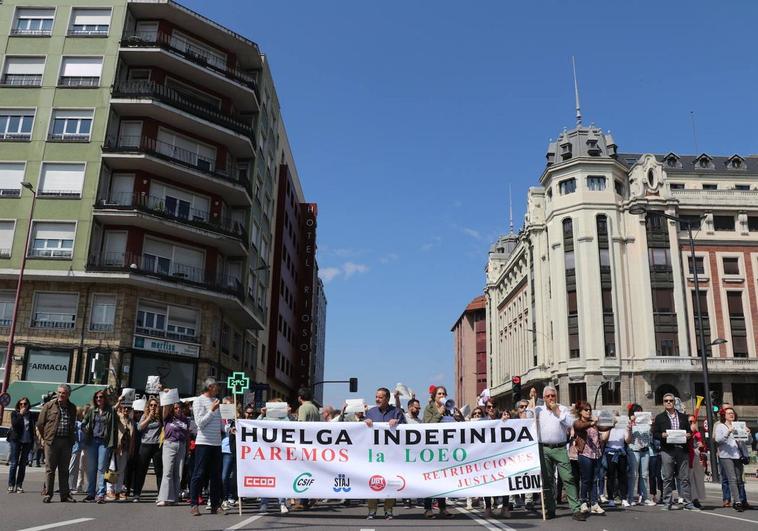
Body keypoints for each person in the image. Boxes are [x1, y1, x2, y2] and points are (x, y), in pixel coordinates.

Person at [531, 386, 585, 521]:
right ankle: (550, 509)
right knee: (548, 480)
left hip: (560, 448)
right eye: (548, 396)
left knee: (568, 478)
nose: (550, 398)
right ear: (543, 398)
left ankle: (576, 509)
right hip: (544, 448)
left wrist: (557, 411)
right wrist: (531, 399)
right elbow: (526, 417)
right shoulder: (539, 410)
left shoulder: (563, 409)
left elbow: (569, 423)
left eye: (553, 396)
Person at [364, 387, 406, 520]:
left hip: (391, 455)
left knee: (390, 482)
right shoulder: (370, 412)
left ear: (387, 399)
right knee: (373, 481)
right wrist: (364, 423)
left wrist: (398, 423)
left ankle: (388, 510)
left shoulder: (396, 412)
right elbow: (361, 432)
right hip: (374, 455)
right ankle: (372, 511)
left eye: (380, 397)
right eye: (376, 396)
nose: (377, 399)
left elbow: (407, 429)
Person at [652, 392, 697, 511]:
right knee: (667, 477)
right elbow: (654, 433)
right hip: (667, 450)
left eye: (670, 401)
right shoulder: (660, 417)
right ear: (663, 403)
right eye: (666, 401)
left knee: (685, 477)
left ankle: (688, 503)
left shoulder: (682, 416)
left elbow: (689, 432)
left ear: (674, 402)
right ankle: (667, 503)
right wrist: (662, 434)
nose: (668, 402)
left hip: (682, 449)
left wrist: (688, 435)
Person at [36, 384, 78, 503]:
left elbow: (73, 424)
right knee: (50, 469)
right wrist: (45, 438)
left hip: (66, 442)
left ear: (68, 395)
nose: (60, 395)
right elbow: (40, 424)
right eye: (59, 392)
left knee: (64, 469)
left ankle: (65, 495)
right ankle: (48, 494)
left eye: (63, 393)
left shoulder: (72, 408)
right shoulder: (49, 406)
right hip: (52, 442)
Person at [189, 377, 224, 516]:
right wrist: (211, 410)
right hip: (204, 442)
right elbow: (200, 423)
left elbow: (220, 423)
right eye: (216, 386)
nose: (218, 389)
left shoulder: (216, 401)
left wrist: (229, 429)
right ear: (210, 387)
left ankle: (215, 504)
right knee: (199, 474)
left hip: (216, 443)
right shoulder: (198, 401)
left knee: (215, 475)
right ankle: (194, 504)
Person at [422, 386, 455, 519]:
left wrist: (457, 417)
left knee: (442, 479)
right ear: (434, 396)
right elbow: (428, 425)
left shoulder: (450, 408)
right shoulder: (428, 408)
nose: (442, 396)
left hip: (445, 448)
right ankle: (428, 508)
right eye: (439, 394)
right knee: (429, 480)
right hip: (431, 449)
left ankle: (442, 508)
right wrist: (439, 413)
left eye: (443, 394)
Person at [572, 400, 609, 515]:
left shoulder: (594, 423)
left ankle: (594, 503)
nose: (588, 412)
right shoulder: (578, 423)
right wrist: (592, 423)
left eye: (589, 410)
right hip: (585, 454)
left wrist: (612, 423)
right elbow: (580, 427)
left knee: (594, 479)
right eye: (586, 410)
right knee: (586, 479)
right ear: (580, 412)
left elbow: (603, 428)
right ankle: (583, 501)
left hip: (596, 454)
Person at [81, 390, 117, 503]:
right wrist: (84, 429)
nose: (98, 399)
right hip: (92, 441)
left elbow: (114, 428)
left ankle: (101, 493)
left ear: (105, 398)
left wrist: (114, 444)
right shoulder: (92, 411)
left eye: (101, 397)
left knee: (102, 468)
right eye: (96, 397)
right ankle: (91, 493)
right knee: (91, 468)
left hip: (104, 443)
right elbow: (83, 422)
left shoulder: (110, 411)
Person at [715, 406, 751, 512]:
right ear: (724, 415)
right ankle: (737, 501)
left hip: (738, 455)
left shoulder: (739, 425)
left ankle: (741, 499)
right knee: (732, 479)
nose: (731, 415)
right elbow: (718, 440)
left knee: (740, 480)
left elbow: (748, 442)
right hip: (726, 455)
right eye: (729, 413)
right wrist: (728, 432)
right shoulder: (720, 426)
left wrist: (748, 434)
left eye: (733, 413)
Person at [157, 400, 189, 506]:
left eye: (179, 407)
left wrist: (187, 448)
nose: (178, 409)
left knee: (178, 473)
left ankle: (174, 498)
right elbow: (165, 408)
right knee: (167, 472)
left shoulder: (185, 419)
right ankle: (163, 498)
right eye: (175, 408)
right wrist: (166, 396)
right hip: (169, 444)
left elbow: (187, 434)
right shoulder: (168, 417)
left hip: (181, 445)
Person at [131, 397, 163, 502]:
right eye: (151, 405)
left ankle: (160, 494)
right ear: (148, 406)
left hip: (157, 446)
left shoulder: (160, 417)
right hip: (145, 445)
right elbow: (140, 428)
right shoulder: (145, 416)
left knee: (159, 471)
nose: (153, 407)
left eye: (155, 405)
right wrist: (149, 418)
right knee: (141, 471)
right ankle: (137, 494)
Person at [626, 404, 655, 506]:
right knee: (633, 475)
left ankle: (644, 497)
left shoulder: (646, 422)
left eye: (641, 411)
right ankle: (630, 498)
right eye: (637, 412)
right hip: (634, 450)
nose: (640, 414)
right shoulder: (629, 422)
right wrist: (632, 422)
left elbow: (650, 433)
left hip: (645, 450)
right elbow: (628, 436)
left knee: (644, 475)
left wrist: (651, 423)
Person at [107, 401, 135, 501]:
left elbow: (132, 437)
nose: (126, 410)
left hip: (126, 448)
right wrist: (118, 401)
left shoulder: (131, 421)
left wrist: (131, 449)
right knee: (113, 468)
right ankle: (110, 490)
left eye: (128, 408)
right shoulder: (118, 417)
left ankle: (118, 491)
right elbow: (112, 411)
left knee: (122, 470)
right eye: (124, 408)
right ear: (121, 408)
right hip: (117, 448)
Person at [8, 397, 35, 493]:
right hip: (16, 440)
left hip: (27, 441)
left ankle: (19, 485)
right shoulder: (14, 413)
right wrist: (20, 414)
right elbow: (14, 424)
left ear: (28, 405)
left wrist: (33, 441)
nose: (23, 405)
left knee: (23, 464)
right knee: (14, 463)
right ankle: (11, 485)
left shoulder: (31, 415)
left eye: (25, 404)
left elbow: (32, 428)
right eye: (21, 404)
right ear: (18, 405)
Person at [604, 411, 629, 508]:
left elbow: (627, 440)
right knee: (610, 476)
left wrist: (629, 430)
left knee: (622, 475)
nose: (615, 419)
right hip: (610, 452)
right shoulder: (607, 427)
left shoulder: (623, 428)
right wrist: (610, 426)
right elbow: (605, 439)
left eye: (617, 417)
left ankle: (624, 498)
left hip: (621, 452)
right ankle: (611, 498)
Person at [221, 396, 238, 511]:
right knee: (223, 477)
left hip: (232, 450)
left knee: (233, 476)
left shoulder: (236, 418)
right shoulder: (219, 418)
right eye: (225, 405)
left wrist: (236, 416)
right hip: (220, 449)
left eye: (230, 405)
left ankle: (232, 497)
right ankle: (224, 497)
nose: (227, 407)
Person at [69, 404, 89, 494]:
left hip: (76, 447)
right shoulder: (78, 424)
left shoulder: (77, 424)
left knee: (75, 467)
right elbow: (81, 437)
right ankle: (71, 486)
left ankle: (72, 486)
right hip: (76, 447)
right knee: (74, 467)